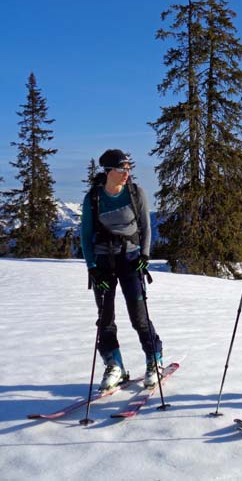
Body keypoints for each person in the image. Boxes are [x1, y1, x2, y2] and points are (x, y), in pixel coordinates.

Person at [80, 149, 163, 390]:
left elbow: (146, 228)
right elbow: (85, 237)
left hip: (131, 259)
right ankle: (114, 365)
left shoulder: (136, 193)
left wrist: (145, 255)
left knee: (139, 316)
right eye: (121, 169)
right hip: (103, 263)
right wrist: (92, 268)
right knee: (105, 318)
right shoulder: (93, 198)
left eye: (128, 168)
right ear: (108, 171)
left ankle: (153, 359)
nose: (126, 173)